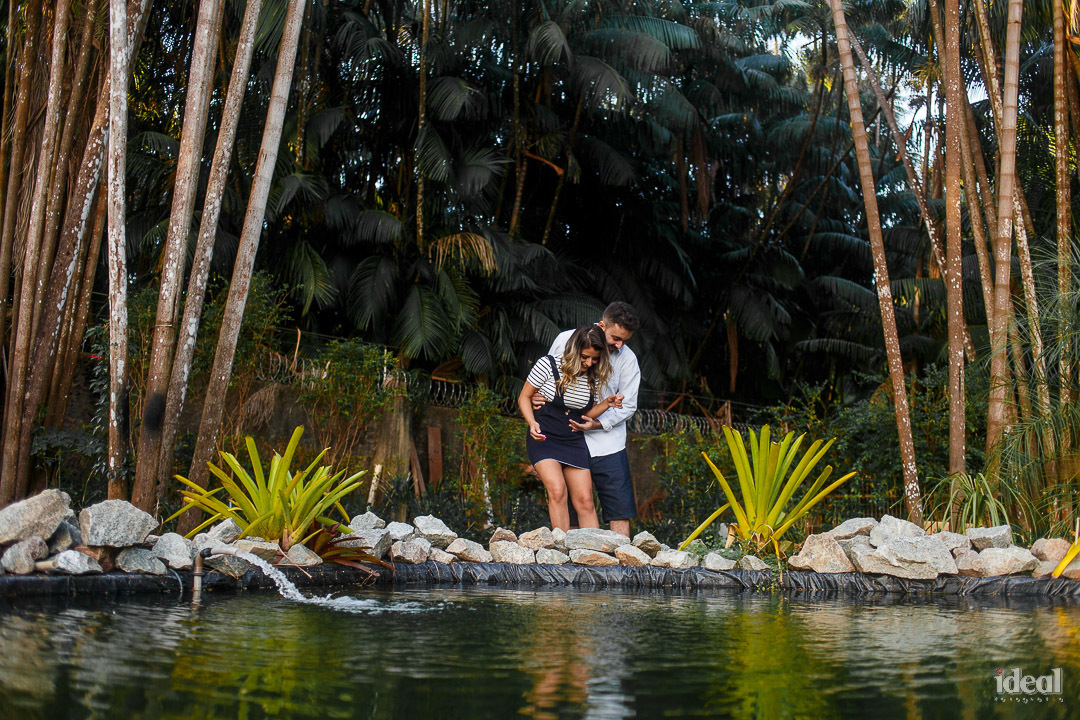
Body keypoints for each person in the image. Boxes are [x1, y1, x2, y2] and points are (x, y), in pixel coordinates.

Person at [542, 302, 641, 537]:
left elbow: (628, 404)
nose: (620, 345)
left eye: (625, 340)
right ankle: (572, 559)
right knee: (572, 508)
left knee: (619, 509)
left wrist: (597, 423)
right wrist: (538, 398)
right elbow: (546, 377)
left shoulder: (628, 359)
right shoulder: (566, 340)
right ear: (602, 325)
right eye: (616, 338)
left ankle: (622, 560)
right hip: (565, 438)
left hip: (608, 443)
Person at [517, 325, 624, 531]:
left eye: (595, 359)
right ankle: (561, 546)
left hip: (573, 440)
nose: (589, 363)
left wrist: (607, 403)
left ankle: (593, 548)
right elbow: (524, 397)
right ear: (574, 350)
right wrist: (532, 422)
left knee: (585, 500)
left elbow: (587, 413)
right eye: (585, 357)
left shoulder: (592, 376)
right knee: (557, 490)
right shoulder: (548, 364)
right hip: (544, 437)